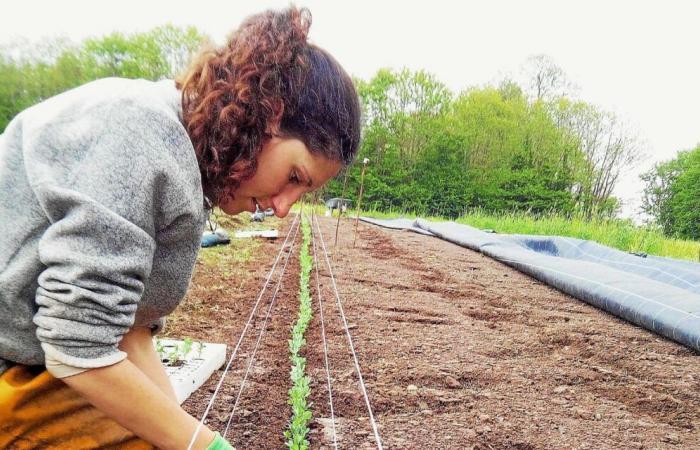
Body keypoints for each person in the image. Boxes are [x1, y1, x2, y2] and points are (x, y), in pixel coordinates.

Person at [0, 6, 360, 449]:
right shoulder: (143, 135)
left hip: (41, 363)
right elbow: (78, 341)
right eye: (295, 177)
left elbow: (131, 330)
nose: (284, 207)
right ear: (270, 117)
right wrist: (198, 444)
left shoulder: (185, 161)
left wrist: (185, 435)